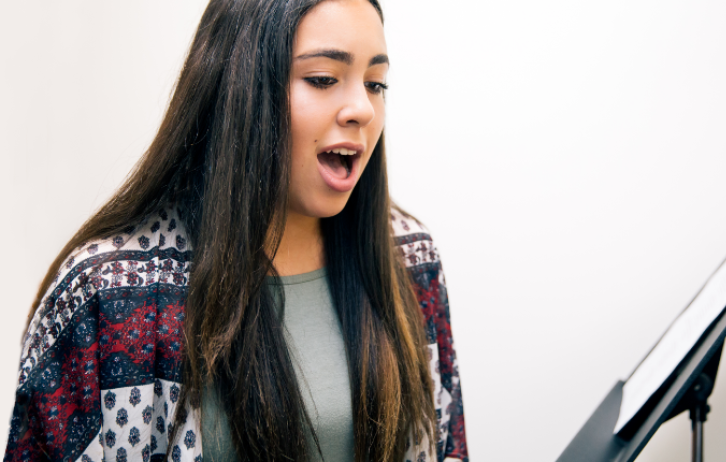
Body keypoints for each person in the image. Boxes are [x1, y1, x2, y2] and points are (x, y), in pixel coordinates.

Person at [1, 0, 468, 461]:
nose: (362, 109)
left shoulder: (411, 261)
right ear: (239, 85)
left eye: (375, 83)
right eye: (323, 79)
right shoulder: (105, 295)